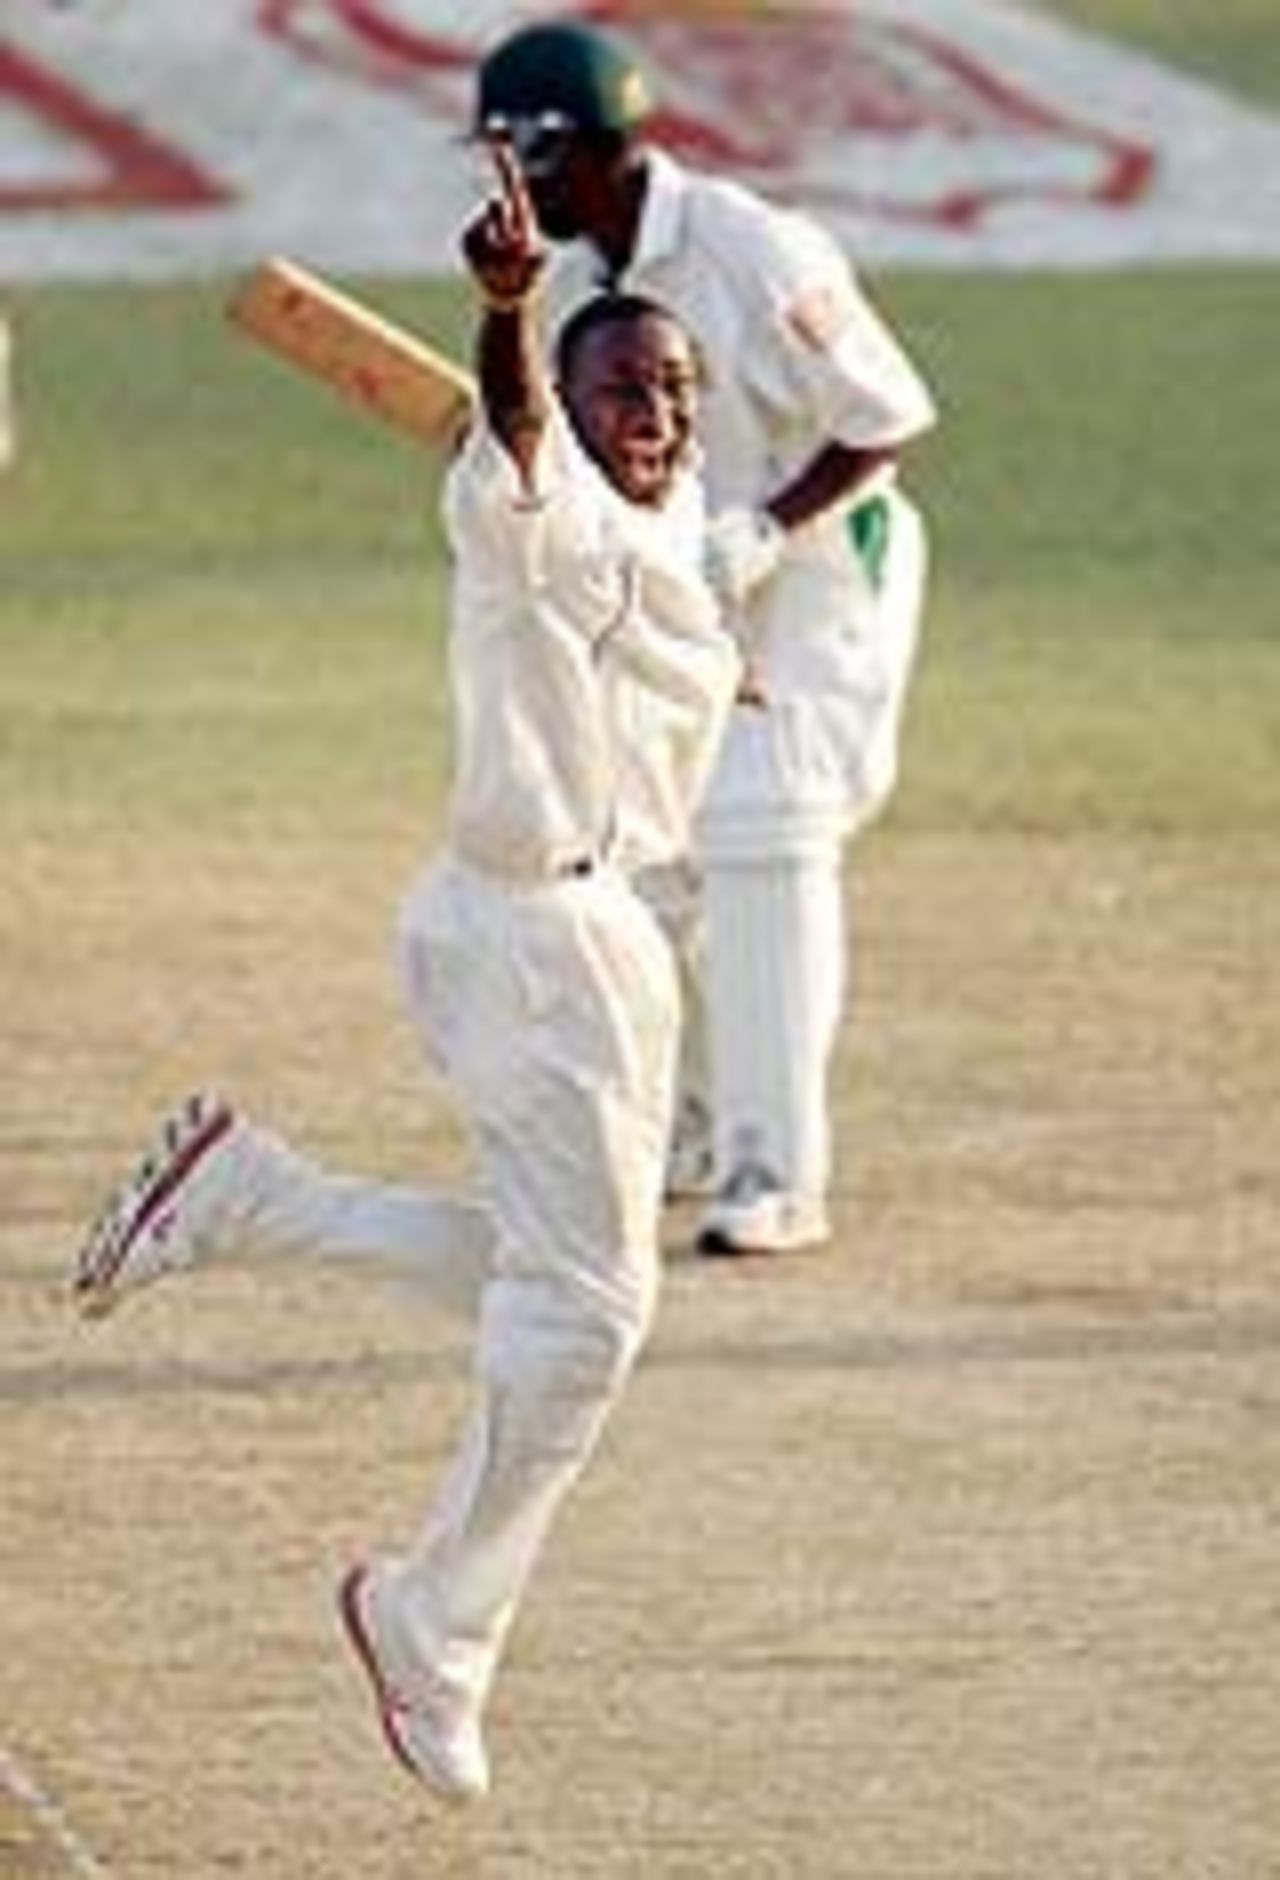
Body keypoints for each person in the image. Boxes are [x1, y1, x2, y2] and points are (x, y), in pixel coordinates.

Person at [71, 141, 738, 1805]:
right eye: (614, 389)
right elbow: (513, 435)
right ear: (569, 409)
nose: (643, 410)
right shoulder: (526, 501)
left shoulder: (685, 546)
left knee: (551, 1284)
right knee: (586, 1327)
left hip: (589, 931)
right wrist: (511, 317)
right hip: (534, 932)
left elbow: (663, 639)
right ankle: (428, 1624)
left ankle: (253, 1199)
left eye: (668, 387)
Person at [473, 19, 939, 1256]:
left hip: (825, 578)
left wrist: (764, 535)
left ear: (608, 150)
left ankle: (774, 1175)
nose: (516, 189)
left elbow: (886, 416)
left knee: (764, 838)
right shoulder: (576, 288)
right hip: (688, 599)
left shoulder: (752, 247)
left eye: (534, 162)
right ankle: (685, 1129)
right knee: (643, 853)